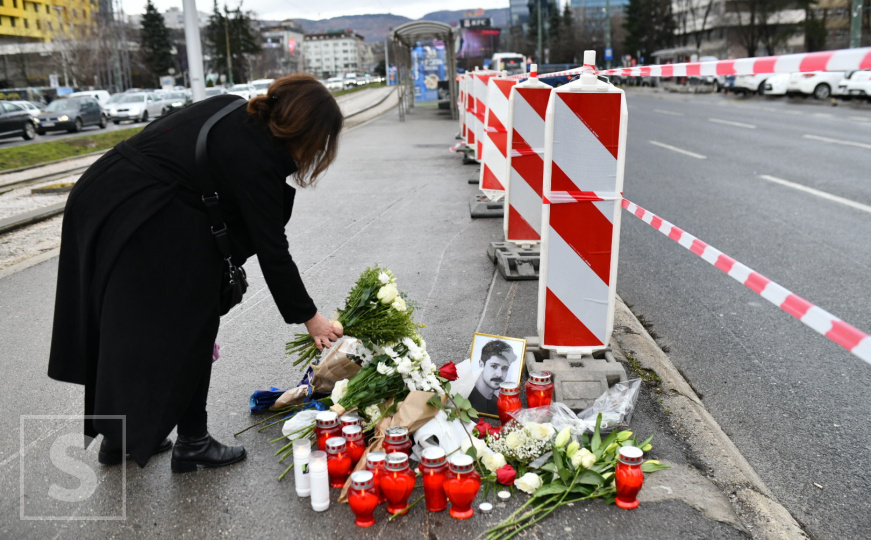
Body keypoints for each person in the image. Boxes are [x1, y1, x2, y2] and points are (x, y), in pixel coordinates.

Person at [47, 75, 344, 472]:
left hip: (104, 194)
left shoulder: (234, 108)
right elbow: (273, 250)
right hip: (140, 211)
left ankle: (119, 439)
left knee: (124, 328)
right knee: (192, 324)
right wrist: (311, 318)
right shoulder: (259, 157)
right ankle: (193, 441)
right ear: (308, 132)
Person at [468, 340, 517, 416]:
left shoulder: (497, 406)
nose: (500, 374)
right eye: (494, 366)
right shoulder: (466, 396)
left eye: (505, 368)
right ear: (481, 365)